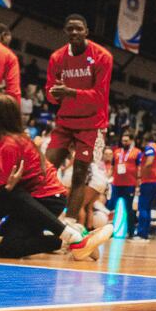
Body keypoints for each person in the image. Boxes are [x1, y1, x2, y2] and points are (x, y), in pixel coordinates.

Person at [0, 94, 112, 259]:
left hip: (45, 199)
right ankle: (70, 241)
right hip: (28, 200)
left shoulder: (8, 144)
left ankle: (71, 237)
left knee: (11, 192)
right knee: (5, 247)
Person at [43, 14, 113, 230]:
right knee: (45, 168)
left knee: (80, 173)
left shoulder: (102, 56)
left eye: (78, 29)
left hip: (91, 123)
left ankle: (72, 224)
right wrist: (55, 94)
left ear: (86, 32)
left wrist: (70, 92)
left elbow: (101, 96)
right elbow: (49, 95)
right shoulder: (57, 57)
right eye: (70, 29)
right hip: (65, 121)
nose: (74, 32)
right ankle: (41, 215)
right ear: (65, 31)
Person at [134, 134, 156, 240]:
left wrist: (140, 174)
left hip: (149, 181)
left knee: (143, 207)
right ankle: (145, 233)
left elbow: (150, 161)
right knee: (147, 208)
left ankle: (141, 234)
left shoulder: (150, 147)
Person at [110, 132, 140, 237]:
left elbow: (139, 169)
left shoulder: (137, 152)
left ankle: (130, 232)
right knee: (113, 208)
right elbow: (112, 167)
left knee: (130, 209)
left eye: (126, 140)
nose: (124, 142)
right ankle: (112, 231)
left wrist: (138, 184)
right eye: (123, 140)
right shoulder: (117, 152)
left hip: (130, 185)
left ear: (131, 141)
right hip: (116, 184)